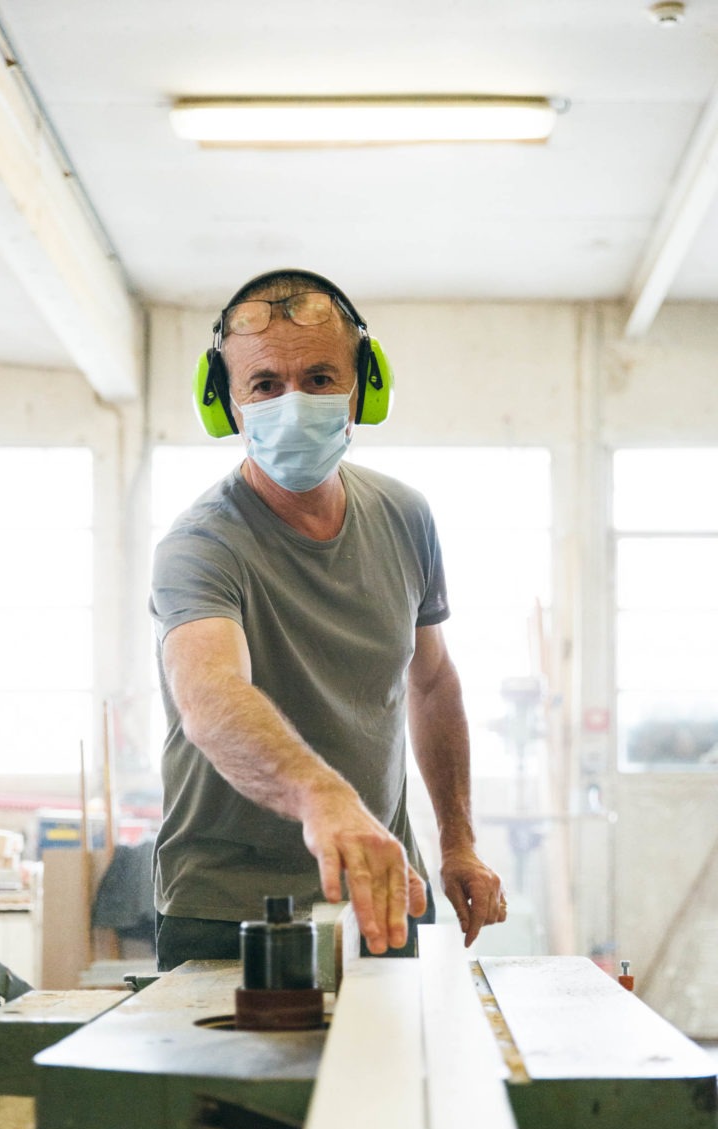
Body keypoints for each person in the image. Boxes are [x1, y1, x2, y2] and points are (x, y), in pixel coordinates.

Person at [150, 268, 506, 971]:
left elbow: (431, 682)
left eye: (318, 378)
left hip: (383, 886)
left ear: (362, 391)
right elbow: (210, 696)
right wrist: (324, 798)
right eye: (265, 385)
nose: (293, 402)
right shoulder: (199, 545)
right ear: (226, 404)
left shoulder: (406, 516)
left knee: (403, 1077)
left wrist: (457, 840)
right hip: (228, 907)